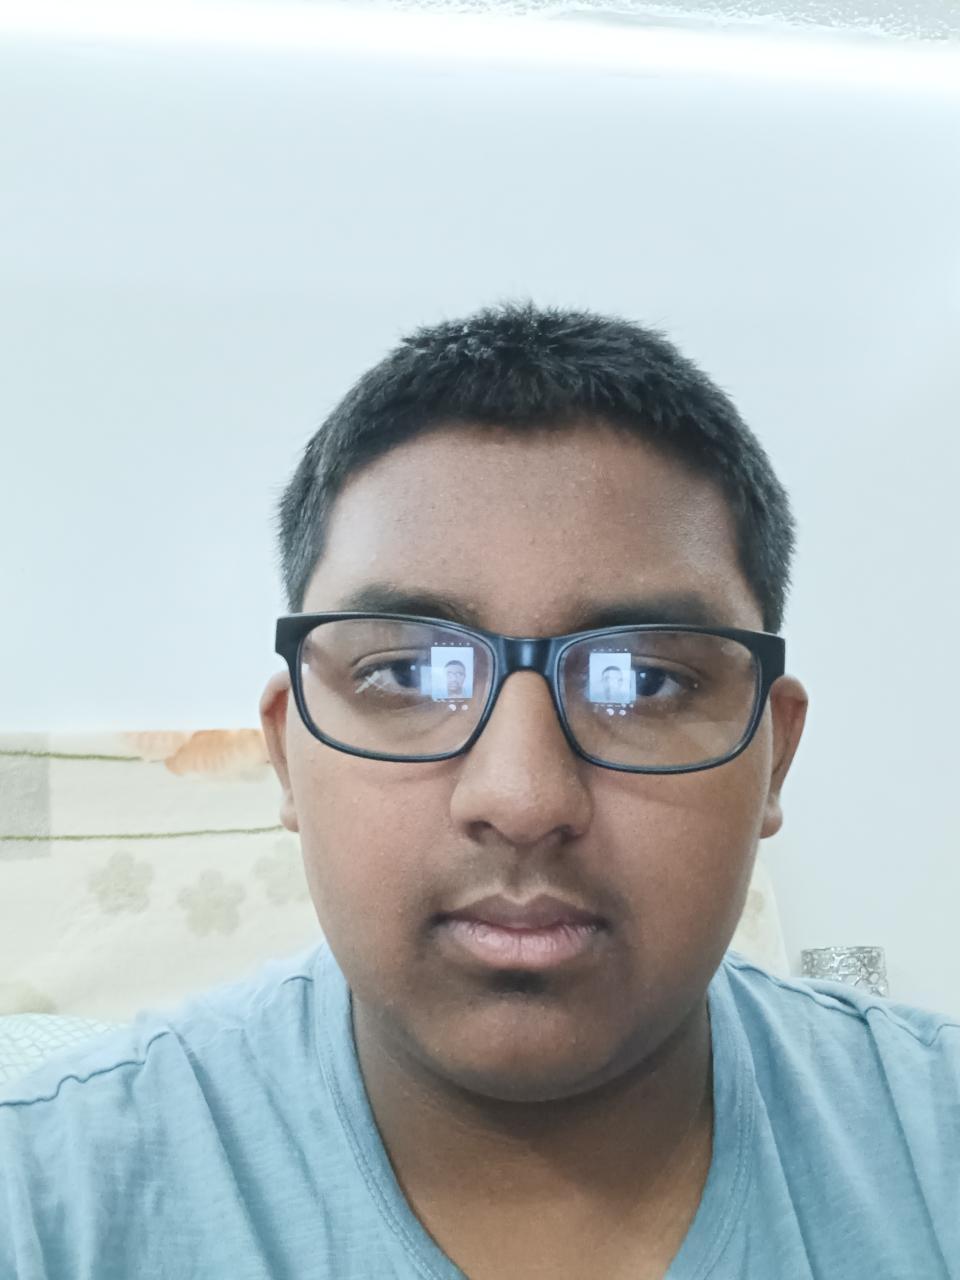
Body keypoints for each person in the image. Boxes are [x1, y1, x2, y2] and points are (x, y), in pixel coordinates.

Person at [1, 301, 957, 1280]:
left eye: (640, 680)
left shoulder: (934, 1148)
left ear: (774, 756)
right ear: (286, 751)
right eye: (409, 673)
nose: (523, 798)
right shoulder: (46, 1200)